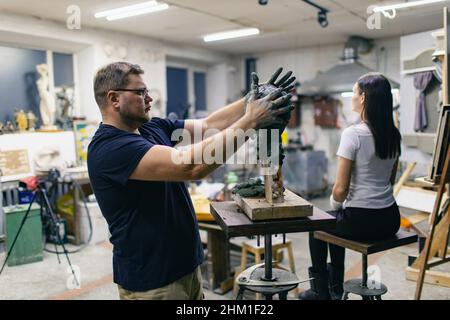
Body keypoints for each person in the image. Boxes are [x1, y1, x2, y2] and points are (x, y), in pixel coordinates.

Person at [87, 62, 295, 300]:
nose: (149, 98)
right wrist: (251, 121)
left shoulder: (152, 129)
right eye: (141, 92)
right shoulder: (109, 149)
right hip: (153, 282)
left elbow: (209, 126)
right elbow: (191, 165)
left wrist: (251, 100)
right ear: (114, 98)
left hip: (187, 268)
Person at [299, 73, 402, 300]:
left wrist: (336, 205)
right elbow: (390, 181)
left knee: (317, 223)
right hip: (390, 219)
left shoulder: (353, 134)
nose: (352, 97)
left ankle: (322, 290)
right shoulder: (394, 135)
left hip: (361, 220)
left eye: (354, 92)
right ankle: (335, 287)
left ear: (363, 98)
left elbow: (340, 189)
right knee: (335, 221)